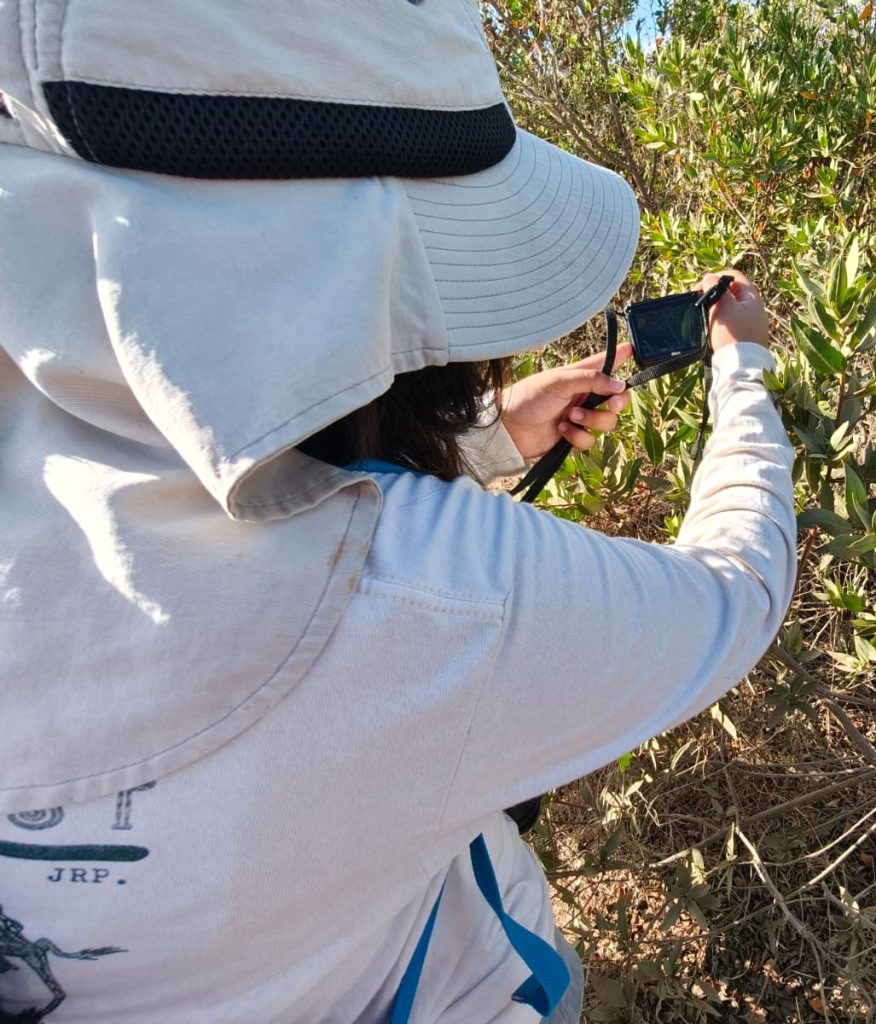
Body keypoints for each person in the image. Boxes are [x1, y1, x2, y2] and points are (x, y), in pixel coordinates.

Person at [0, 2, 795, 1022]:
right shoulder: (440, 598)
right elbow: (735, 592)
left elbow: (191, 448)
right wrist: (743, 366)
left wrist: (484, 438)